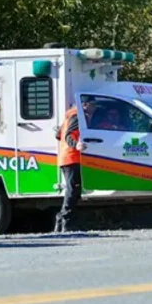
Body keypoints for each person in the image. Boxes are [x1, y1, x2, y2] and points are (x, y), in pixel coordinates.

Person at [56, 98, 96, 233]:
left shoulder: (69, 116)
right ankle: (66, 222)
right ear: (84, 105)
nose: (94, 108)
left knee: (72, 191)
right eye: (92, 105)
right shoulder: (78, 116)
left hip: (65, 158)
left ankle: (61, 221)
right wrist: (76, 145)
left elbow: (58, 134)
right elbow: (68, 135)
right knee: (72, 191)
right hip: (72, 157)